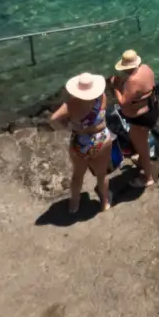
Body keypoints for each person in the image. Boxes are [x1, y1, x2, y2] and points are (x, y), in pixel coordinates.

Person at [50, 72, 113, 214]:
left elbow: (53, 120)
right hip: (101, 139)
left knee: (77, 175)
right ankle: (104, 202)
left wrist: (67, 126)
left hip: (80, 143)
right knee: (102, 175)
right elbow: (102, 114)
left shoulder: (71, 104)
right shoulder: (101, 97)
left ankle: (74, 204)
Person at [111, 50, 159, 187]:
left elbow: (122, 102)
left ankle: (147, 177)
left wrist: (116, 87)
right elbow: (142, 89)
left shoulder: (132, 81)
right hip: (152, 108)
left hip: (141, 118)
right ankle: (142, 161)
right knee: (135, 137)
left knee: (142, 145)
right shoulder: (146, 68)